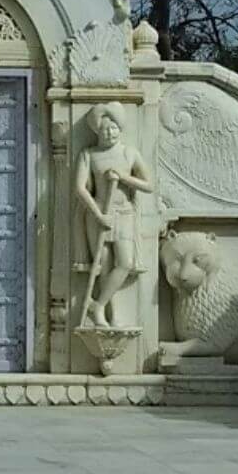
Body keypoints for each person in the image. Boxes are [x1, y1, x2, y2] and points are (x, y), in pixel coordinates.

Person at [74, 103, 152, 327]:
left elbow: (148, 185)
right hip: (99, 214)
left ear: (120, 128)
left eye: (114, 128)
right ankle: (108, 314)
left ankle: (97, 305)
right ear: (97, 130)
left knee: (125, 263)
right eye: (106, 129)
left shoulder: (129, 153)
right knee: (104, 266)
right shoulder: (89, 154)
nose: (110, 133)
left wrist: (124, 178)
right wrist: (99, 215)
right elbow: (80, 188)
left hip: (124, 213)